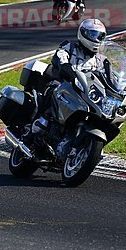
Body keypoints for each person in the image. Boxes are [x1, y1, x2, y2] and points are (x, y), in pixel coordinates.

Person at [28, 19, 109, 155]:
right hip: (62, 83)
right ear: (82, 34)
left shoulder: (101, 60)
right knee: (53, 89)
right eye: (92, 35)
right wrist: (67, 70)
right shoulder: (69, 47)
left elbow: (109, 79)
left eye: (99, 36)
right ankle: (37, 123)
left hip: (84, 92)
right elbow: (60, 59)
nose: (95, 39)